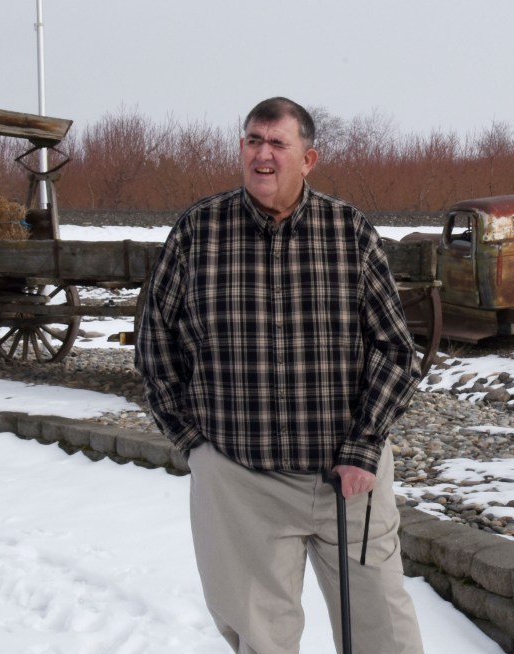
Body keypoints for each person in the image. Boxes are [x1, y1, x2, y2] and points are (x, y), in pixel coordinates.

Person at [135, 96, 424, 654]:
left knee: (385, 634)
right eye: (253, 141)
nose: (262, 154)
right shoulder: (199, 231)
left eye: (276, 143)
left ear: (308, 159)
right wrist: (196, 447)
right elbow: (156, 347)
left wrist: (364, 447)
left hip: (349, 478)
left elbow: (395, 349)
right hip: (242, 482)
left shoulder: (349, 231)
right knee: (262, 640)